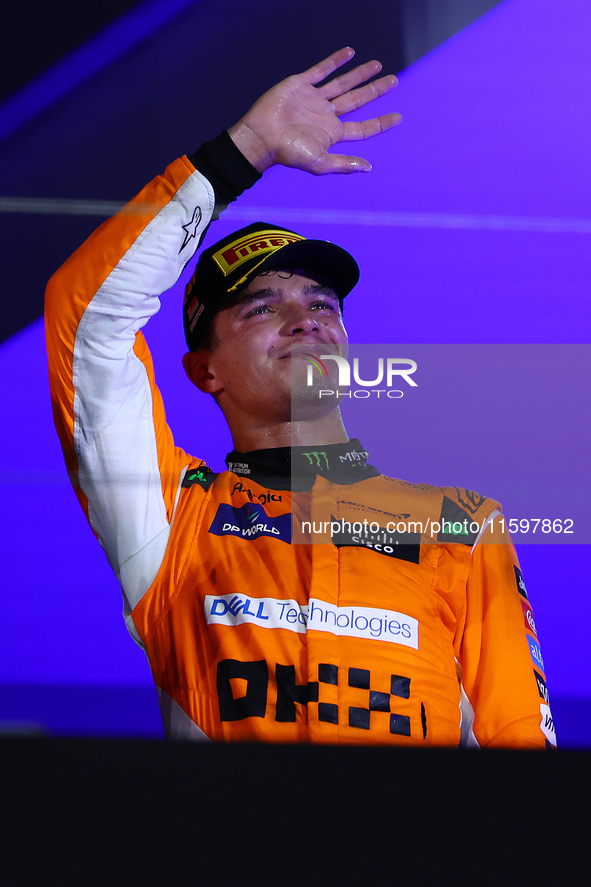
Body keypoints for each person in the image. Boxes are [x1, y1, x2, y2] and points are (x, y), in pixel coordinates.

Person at [45, 48, 555, 748]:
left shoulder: (460, 525)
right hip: (231, 857)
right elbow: (89, 320)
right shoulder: (171, 518)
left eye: (321, 303)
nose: (305, 317)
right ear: (205, 371)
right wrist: (244, 151)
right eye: (261, 307)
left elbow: (520, 749)